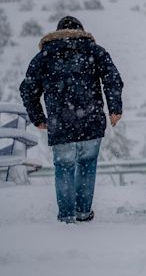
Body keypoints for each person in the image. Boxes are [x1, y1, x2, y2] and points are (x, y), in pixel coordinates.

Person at [19, 16, 123, 223]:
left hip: (60, 123)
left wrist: (38, 117)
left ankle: (67, 216)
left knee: (64, 167)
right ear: (81, 31)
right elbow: (113, 79)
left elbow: (28, 89)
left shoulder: (44, 56)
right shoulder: (95, 51)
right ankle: (83, 212)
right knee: (87, 164)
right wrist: (115, 109)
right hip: (91, 121)